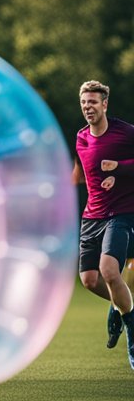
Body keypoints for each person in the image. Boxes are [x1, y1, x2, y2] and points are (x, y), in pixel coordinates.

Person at [69, 80, 134, 368]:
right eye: (84, 103)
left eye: (93, 102)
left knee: (109, 270)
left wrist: (118, 170)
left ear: (104, 104)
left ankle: (132, 329)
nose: (88, 107)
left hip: (120, 213)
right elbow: (82, 174)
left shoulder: (125, 132)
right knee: (89, 280)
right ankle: (120, 305)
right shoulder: (81, 137)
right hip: (91, 215)